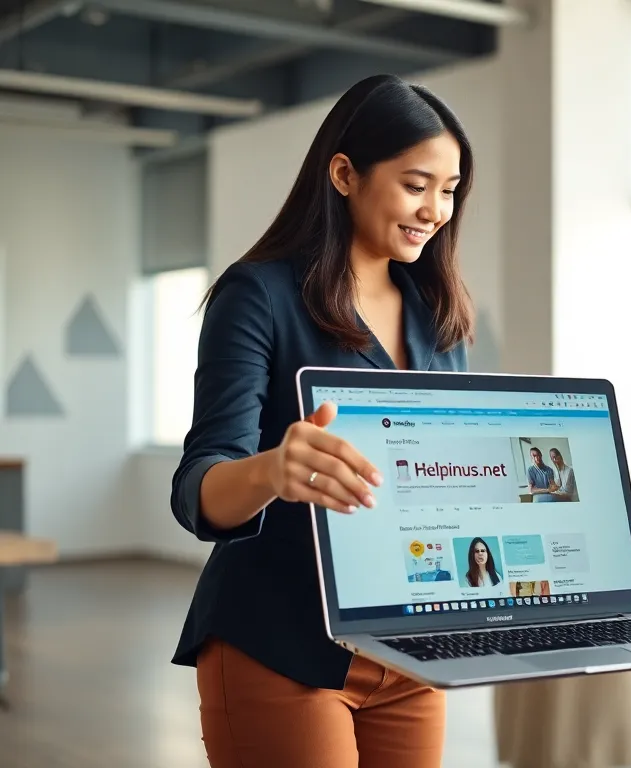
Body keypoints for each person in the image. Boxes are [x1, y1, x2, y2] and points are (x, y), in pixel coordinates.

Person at [169, 74, 477, 768]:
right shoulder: (258, 296)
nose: (435, 209)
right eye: (415, 184)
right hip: (278, 642)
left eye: (450, 190)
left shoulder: (439, 317)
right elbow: (197, 490)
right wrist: (274, 469)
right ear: (344, 173)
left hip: (409, 648)